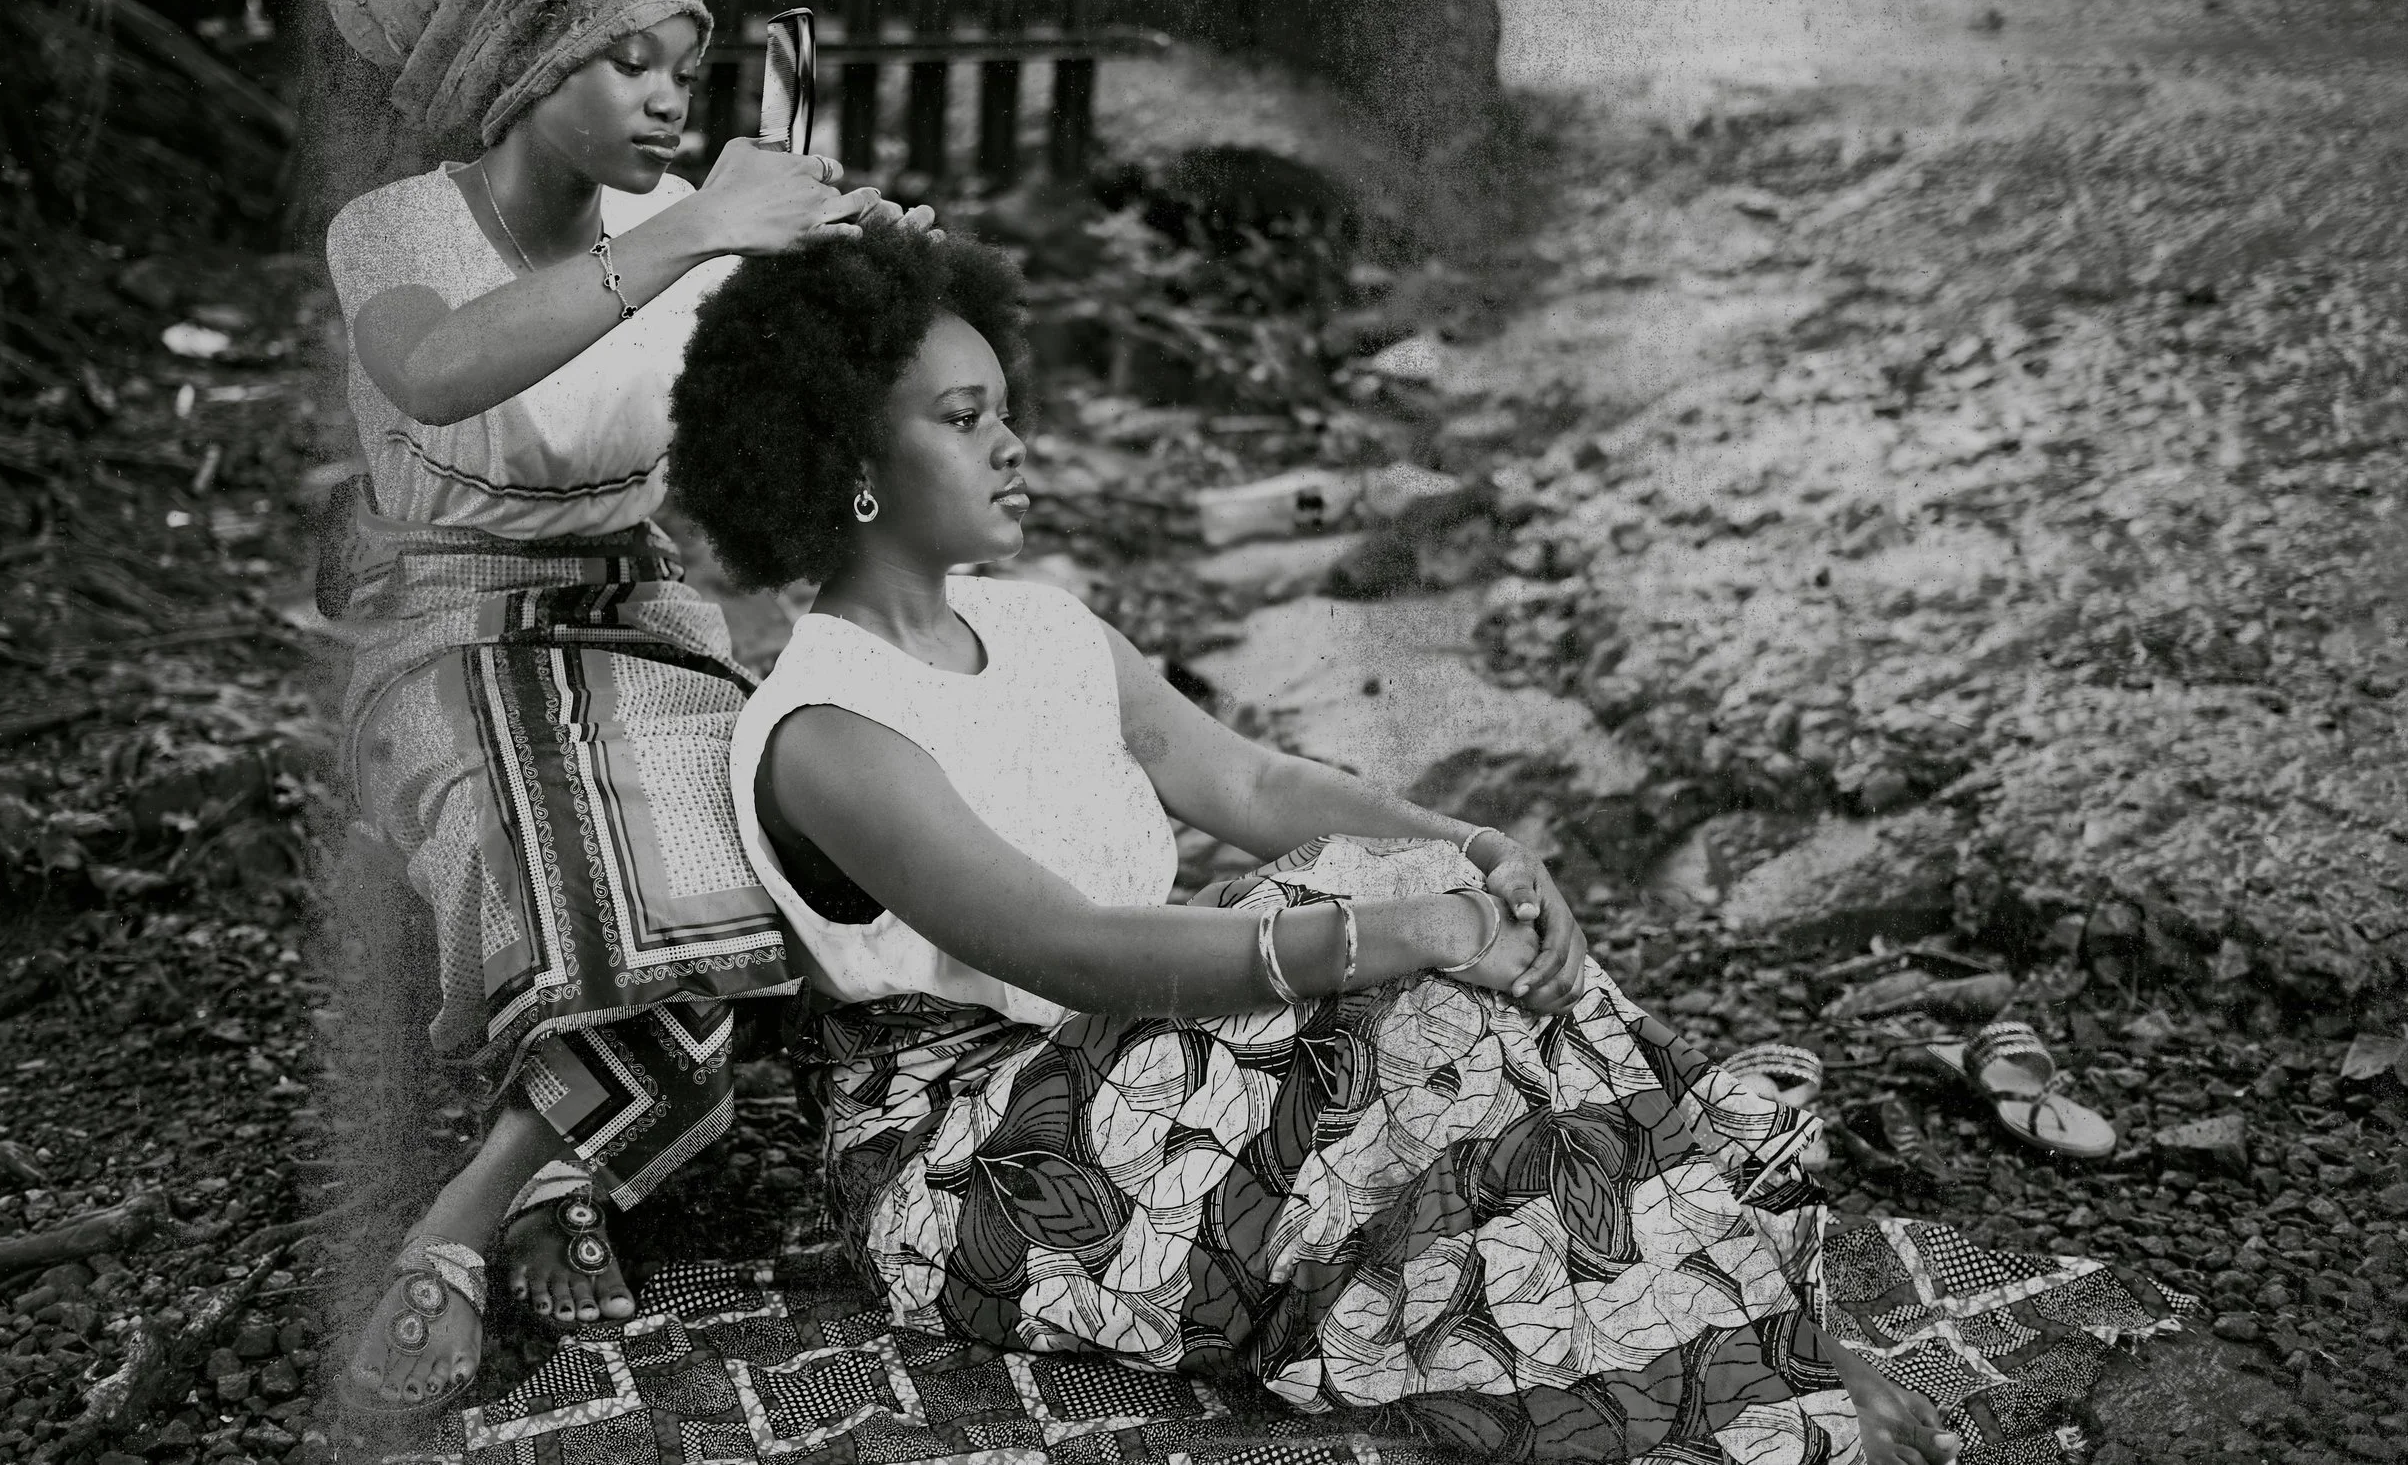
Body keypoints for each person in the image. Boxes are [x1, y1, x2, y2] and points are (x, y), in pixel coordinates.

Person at [666, 225, 1964, 1465]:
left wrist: (1475, 846)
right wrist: (1402, 929)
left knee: (1437, 920)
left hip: (1119, 1057)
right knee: (1422, 1012)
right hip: (975, 1158)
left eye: (1007, 409)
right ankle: (1723, 1363)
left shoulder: (1042, 625)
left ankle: (1710, 1315)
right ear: (843, 456)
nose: (1013, 445)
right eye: (963, 419)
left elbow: (1251, 776)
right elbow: (1075, 947)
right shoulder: (828, 729)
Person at [318, 0, 934, 1414]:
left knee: (740, 875)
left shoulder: (686, 216)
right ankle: (572, 1180)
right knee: (556, 878)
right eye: (625, 59)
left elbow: (774, 447)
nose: (670, 98)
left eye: (686, 65)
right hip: (445, 628)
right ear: (526, 67)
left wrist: (856, 282)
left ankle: (491, 1202)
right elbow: (446, 372)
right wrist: (697, 231)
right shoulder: (394, 231)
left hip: (640, 612)